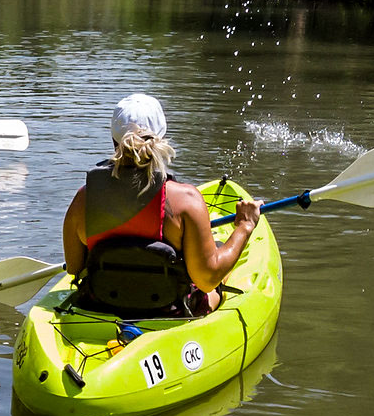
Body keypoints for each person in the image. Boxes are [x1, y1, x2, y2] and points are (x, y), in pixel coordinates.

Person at [61, 93, 261, 317]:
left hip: (100, 307)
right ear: (161, 138)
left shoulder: (83, 200)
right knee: (217, 277)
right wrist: (245, 225)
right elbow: (206, 280)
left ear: (114, 140)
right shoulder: (185, 201)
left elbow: (74, 268)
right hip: (170, 312)